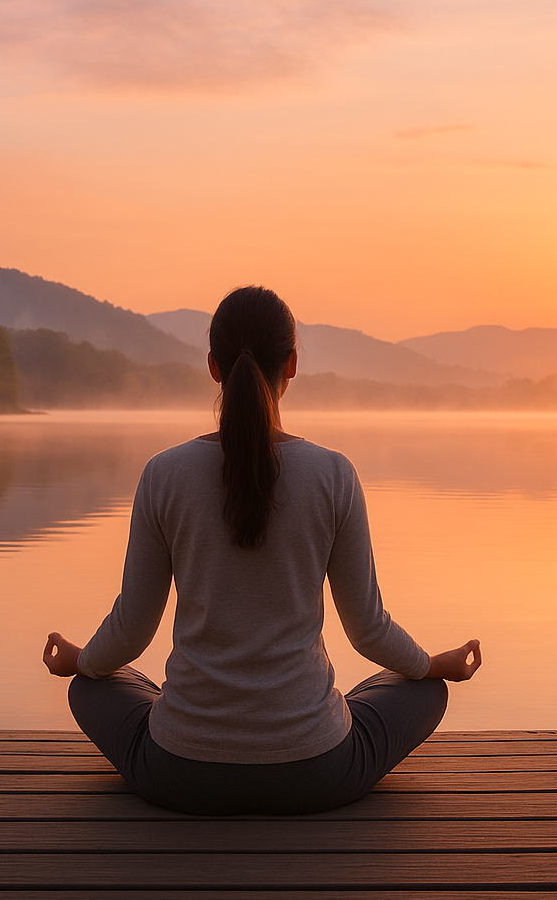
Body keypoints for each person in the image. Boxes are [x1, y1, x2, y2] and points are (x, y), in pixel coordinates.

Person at [41, 285, 481, 815]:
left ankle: (184, 719)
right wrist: (435, 665)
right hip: (317, 773)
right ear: (292, 364)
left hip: (179, 773)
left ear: (212, 365)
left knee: (91, 688)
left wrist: (81, 661)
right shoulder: (333, 475)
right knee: (423, 690)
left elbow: (132, 630)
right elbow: (368, 629)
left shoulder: (164, 475)